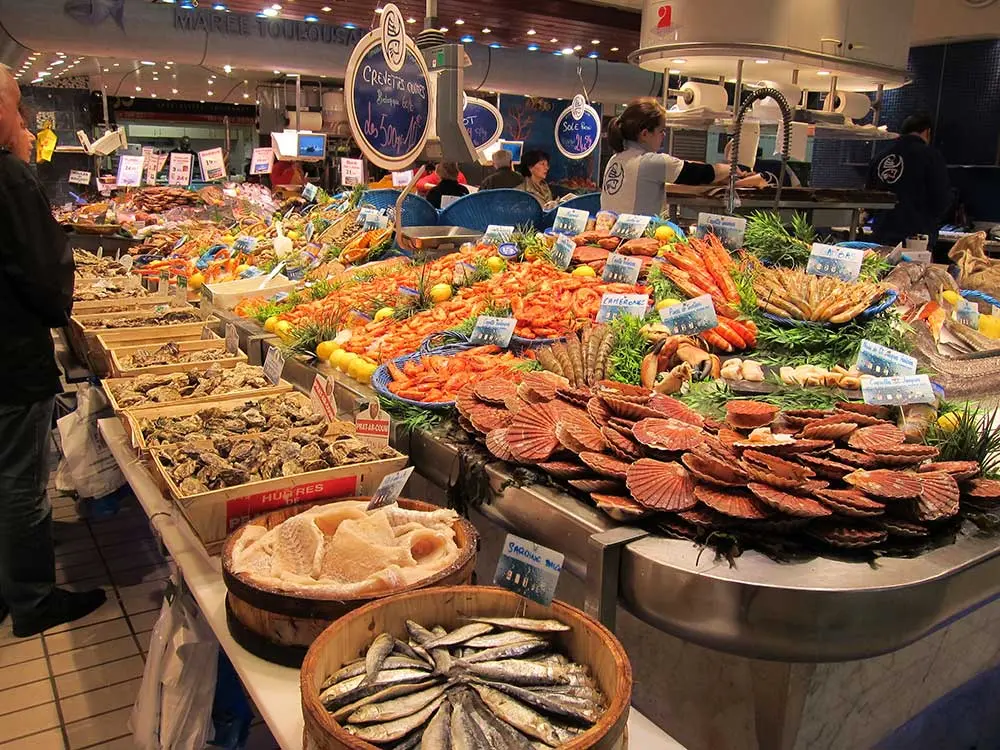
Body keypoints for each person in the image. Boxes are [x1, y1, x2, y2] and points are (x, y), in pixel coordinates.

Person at [0, 67, 106, 636]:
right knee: (19, 481)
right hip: (9, 359)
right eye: (18, 111)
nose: (23, 124)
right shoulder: (10, 178)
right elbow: (45, 278)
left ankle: (7, 587)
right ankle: (33, 599)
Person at [600, 98, 753, 215]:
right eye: (661, 131)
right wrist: (731, 169)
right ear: (645, 134)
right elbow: (699, 173)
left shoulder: (616, 159)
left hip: (612, 237)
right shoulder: (650, 162)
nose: (664, 135)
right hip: (635, 240)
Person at [867, 113, 950, 251]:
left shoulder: (880, 156)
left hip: (881, 234)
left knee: (881, 271)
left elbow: (869, 196)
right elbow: (941, 198)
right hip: (915, 237)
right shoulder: (930, 156)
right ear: (927, 132)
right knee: (911, 272)